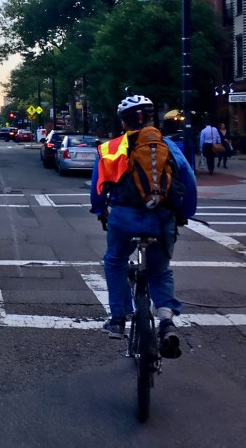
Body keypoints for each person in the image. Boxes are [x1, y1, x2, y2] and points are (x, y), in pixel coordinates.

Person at [90, 93, 197, 359]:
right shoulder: (169, 147)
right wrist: (185, 212)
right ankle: (166, 321)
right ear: (152, 118)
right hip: (162, 219)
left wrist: (100, 209)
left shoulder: (112, 148)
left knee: (115, 260)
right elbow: (190, 183)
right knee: (159, 272)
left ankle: (118, 318)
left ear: (124, 122)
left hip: (124, 218)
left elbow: (97, 188)